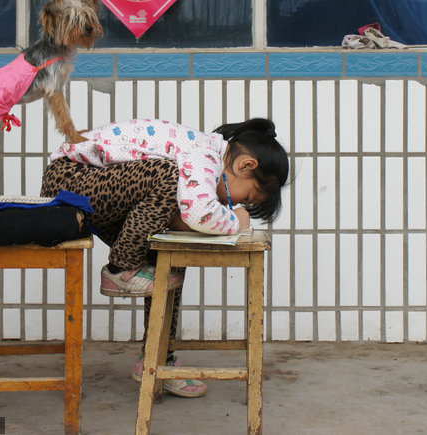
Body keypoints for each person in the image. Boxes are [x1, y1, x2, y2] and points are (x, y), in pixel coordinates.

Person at [40, 117, 289, 397]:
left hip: (100, 189)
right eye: (249, 197)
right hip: (70, 180)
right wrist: (236, 220)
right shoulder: (204, 155)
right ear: (246, 166)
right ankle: (121, 268)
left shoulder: (206, 157)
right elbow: (200, 213)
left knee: (168, 251)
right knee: (167, 175)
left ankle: (158, 359)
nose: (239, 204)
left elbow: (187, 215)